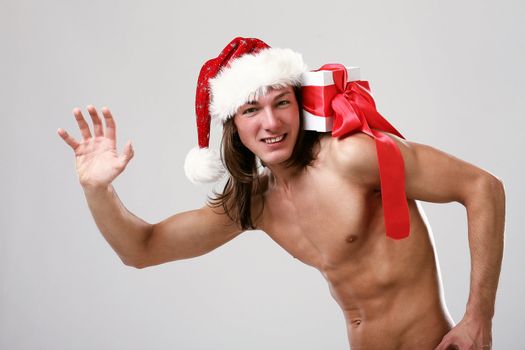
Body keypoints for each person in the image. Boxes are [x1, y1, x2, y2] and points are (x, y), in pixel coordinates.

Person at [57, 37, 505, 350]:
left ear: (299, 104)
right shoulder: (255, 203)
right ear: (234, 126)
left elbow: (482, 187)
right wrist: (98, 190)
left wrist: (478, 318)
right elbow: (143, 248)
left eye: (281, 102)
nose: (270, 123)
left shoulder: (351, 156)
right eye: (252, 109)